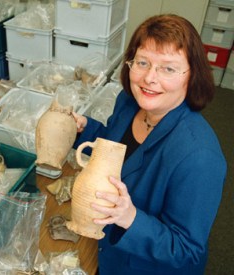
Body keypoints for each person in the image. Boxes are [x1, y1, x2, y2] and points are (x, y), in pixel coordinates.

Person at [72, 14, 227, 274]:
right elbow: (114, 149)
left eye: (168, 68)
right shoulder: (129, 103)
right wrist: (84, 128)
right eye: (142, 62)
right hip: (106, 249)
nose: (149, 78)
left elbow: (187, 251)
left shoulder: (200, 156)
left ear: (192, 76)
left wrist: (130, 218)